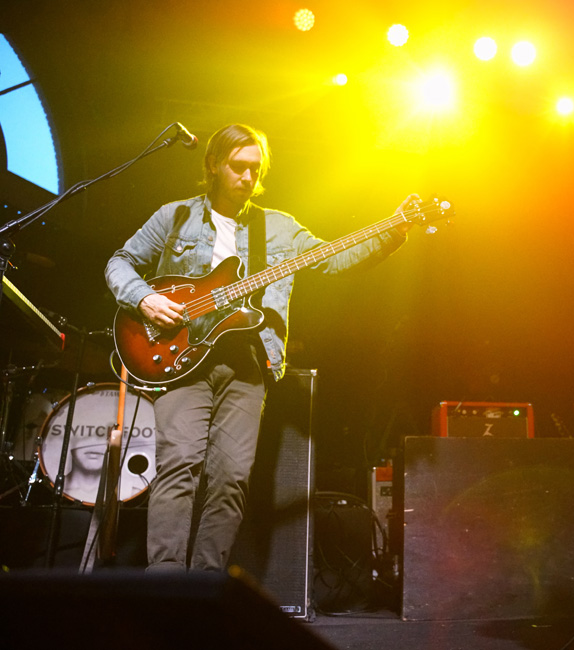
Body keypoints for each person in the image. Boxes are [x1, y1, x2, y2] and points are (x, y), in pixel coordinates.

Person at [106, 123, 414, 572]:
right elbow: (120, 262)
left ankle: (205, 585)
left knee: (231, 477)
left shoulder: (280, 228)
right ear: (213, 164)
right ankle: (166, 581)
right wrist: (145, 299)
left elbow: (337, 259)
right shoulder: (175, 216)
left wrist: (394, 228)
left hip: (248, 364)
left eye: (256, 169)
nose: (248, 177)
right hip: (180, 359)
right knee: (180, 464)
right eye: (239, 166)